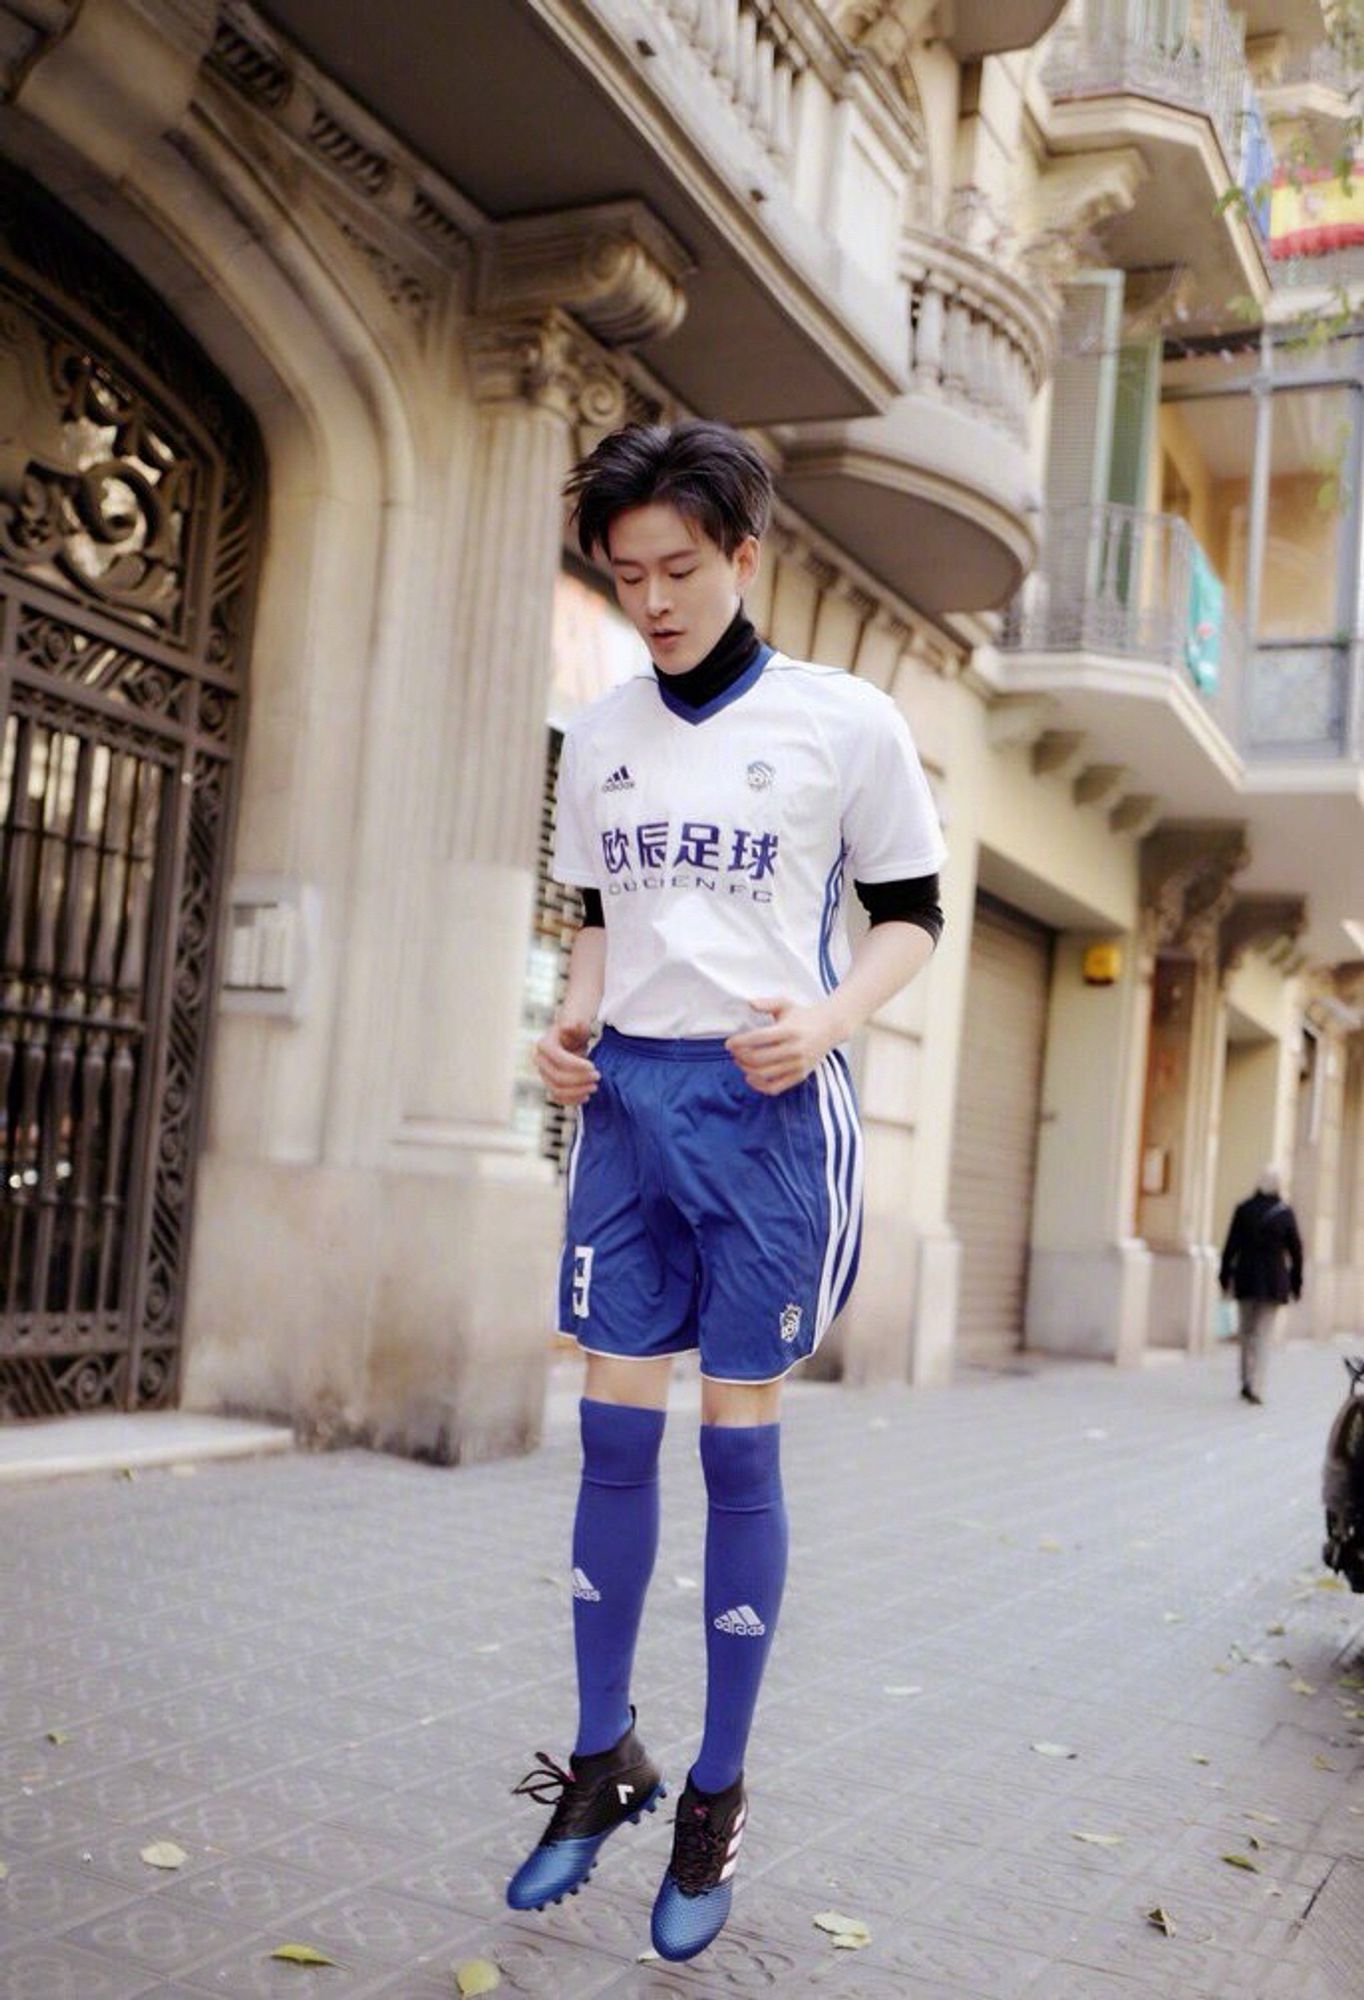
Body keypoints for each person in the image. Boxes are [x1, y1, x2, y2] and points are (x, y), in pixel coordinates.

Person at [504, 419, 945, 1960]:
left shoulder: (846, 722)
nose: (653, 599)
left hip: (765, 1120)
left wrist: (827, 1019)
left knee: (735, 1451)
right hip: (628, 1105)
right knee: (608, 1436)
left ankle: (716, 1788)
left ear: (745, 556)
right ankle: (605, 1753)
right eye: (626, 575)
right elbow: (602, 918)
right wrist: (567, 1024)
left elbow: (912, 913)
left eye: (679, 568)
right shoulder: (606, 727)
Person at [1218, 1165, 1303, 1405]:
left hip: (1246, 1278)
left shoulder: (1244, 1209)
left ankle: (1245, 1380)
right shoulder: (1285, 1213)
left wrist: (1224, 1276)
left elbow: (1230, 1246)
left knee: (1246, 1332)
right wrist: (1297, 1283)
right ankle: (1257, 1385)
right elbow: (1296, 1252)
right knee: (1263, 1334)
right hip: (1274, 1282)